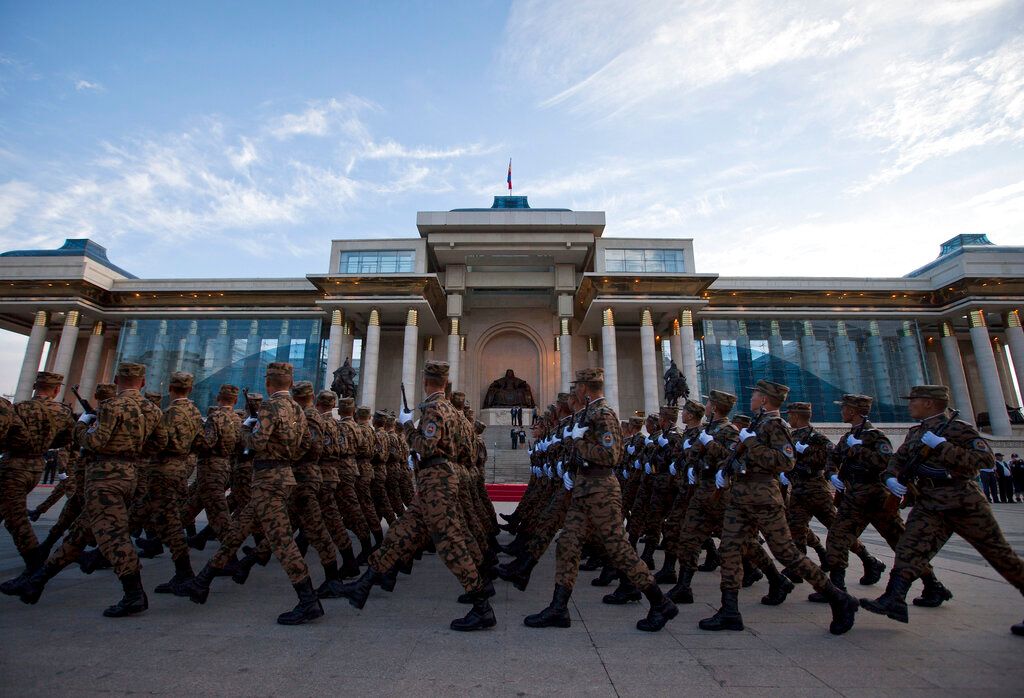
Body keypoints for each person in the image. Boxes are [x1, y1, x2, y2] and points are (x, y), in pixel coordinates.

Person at [335, 360, 496, 632]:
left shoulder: (435, 409)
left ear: (426, 382)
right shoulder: (451, 410)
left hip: (437, 480)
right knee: (401, 532)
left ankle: (482, 606)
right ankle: (365, 583)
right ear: (444, 382)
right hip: (437, 479)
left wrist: (409, 427)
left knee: (450, 542)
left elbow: (427, 446)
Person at [861, 385, 1024, 637]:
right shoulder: (916, 432)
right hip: (929, 501)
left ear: (929, 402)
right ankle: (894, 598)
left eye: (914, 400)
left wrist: (942, 446)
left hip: (963, 502)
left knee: (1000, 555)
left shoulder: (958, 429)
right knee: (909, 547)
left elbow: (984, 461)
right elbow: (898, 459)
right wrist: (891, 478)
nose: (910, 404)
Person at [524, 367, 678, 632]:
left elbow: (611, 455)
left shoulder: (603, 414)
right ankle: (558, 608)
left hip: (600, 490)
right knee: (568, 545)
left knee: (619, 549)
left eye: (577, 386)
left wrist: (579, 443)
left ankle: (660, 602)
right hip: (585, 488)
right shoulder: (590, 413)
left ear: (585, 387)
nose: (575, 390)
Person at [699, 380, 858, 636]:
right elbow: (744, 456)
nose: (752, 399)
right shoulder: (758, 424)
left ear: (764, 400)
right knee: (729, 549)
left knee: (786, 552)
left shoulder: (775, 425)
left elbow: (786, 461)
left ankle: (838, 597)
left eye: (755, 395)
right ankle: (729, 610)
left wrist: (752, 443)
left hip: (764, 497)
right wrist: (726, 469)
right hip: (741, 496)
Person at [7, 364, 167, 616]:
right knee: (80, 533)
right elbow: (160, 443)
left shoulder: (111, 406)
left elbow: (95, 441)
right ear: (143, 382)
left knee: (113, 536)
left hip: (104, 476)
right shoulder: (153, 410)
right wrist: (132, 453)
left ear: (116, 380)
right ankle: (37, 580)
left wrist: (81, 427)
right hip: (130, 474)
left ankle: (134, 594)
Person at [177, 362, 324, 626]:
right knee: (238, 529)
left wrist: (246, 429)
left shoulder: (270, 407)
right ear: (290, 384)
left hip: (267, 479)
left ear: (268, 383)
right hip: (283, 476)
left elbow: (257, 442)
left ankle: (308, 600)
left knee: (282, 541)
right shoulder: (297, 410)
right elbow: (306, 445)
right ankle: (203, 580)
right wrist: (286, 456)